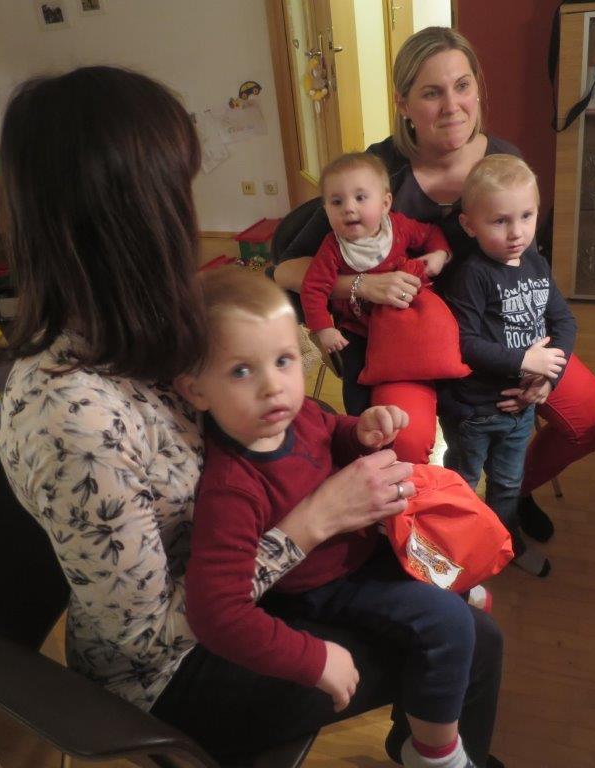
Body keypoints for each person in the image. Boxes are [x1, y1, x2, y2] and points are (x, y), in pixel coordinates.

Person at [0, 66, 504, 768]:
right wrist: (315, 521)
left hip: (261, 577)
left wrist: (344, 436)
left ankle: (421, 748)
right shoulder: (70, 416)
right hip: (182, 667)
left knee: (465, 624)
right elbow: (147, 633)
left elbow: (274, 420)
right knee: (466, 642)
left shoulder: (147, 323)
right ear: (129, 216)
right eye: (176, 193)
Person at [274, 24, 595, 552]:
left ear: (477, 86)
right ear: (403, 103)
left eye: (462, 85)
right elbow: (285, 269)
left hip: (501, 342)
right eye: (432, 92)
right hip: (413, 348)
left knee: (592, 417)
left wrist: (544, 367)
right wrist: (365, 284)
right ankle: (431, 529)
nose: (452, 106)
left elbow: (531, 273)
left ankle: (508, 491)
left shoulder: (503, 160)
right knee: (405, 441)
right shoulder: (376, 172)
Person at [178, 266, 494, 768]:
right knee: (450, 625)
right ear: (195, 390)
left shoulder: (296, 413)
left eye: (283, 360)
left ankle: (451, 586)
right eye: (241, 371)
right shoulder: (231, 487)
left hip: (362, 546)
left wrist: (361, 431)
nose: (272, 387)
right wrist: (314, 657)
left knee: (446, 539)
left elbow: (330, 431)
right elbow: (216, 613)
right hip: (326, 585)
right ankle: (435, 754)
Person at [445, 154, 576, 577]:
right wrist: (525, 359)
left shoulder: (536, 264)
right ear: (469, 225)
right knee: (463, 482)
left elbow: (564, 321)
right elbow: (465, 343)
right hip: (475, 412)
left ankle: (505, 543)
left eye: (526, 216)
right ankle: (458, 550)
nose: (517, 232)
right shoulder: (474, 274)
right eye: (500, 221)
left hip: (521, 411)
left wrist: (548, 380)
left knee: (507, 485)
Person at [301, 152, 451, 416]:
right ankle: (360, 423)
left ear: (385, 203)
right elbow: (313, 288)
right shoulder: (333, 247)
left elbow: (430, 233)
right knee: (355, 384)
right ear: (325, 210)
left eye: (360, 198)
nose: (349, 208)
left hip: (402, 323)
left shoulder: (398, 227)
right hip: (359, 329)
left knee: (420, 369)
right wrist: (324, 329)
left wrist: (439, 254)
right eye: (336, 202)